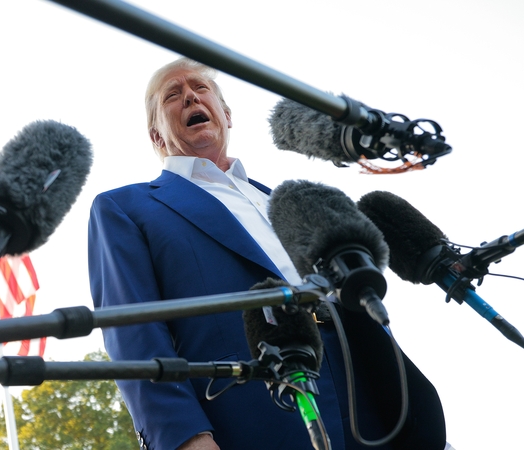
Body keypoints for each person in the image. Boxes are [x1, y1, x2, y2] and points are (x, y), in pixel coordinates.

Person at [88, 57, 446, 450]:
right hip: (257, 412)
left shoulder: (289, 200)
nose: (190, 96)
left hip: (374, 405)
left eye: (200, 89)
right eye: (173, 95)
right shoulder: (126, 207)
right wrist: (183, 437)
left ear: (226, 115)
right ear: (156, 134)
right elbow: (133, 331)